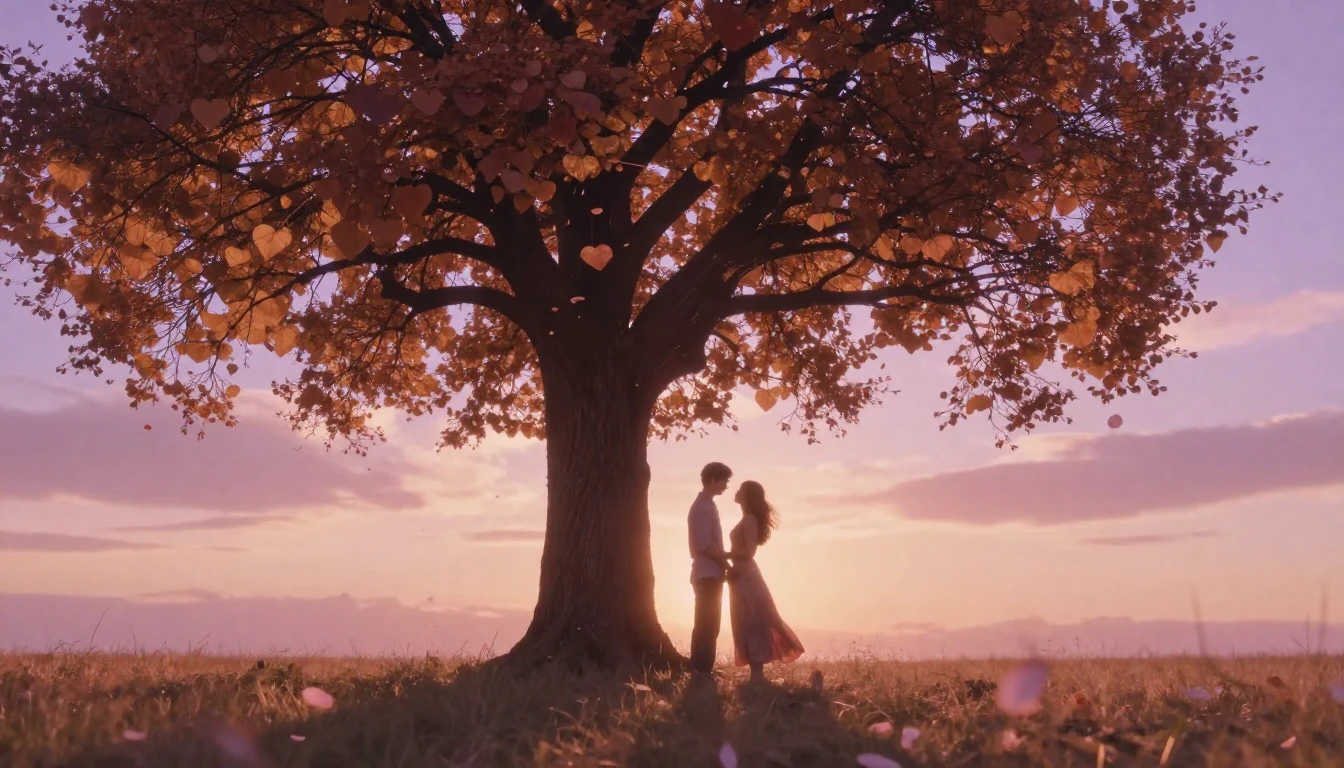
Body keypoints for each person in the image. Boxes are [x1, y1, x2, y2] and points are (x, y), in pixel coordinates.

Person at [727, 480, 805, 684]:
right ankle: (756, 674)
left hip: (745, 574)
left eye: (740, 490)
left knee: (754, 619)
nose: (736, 492)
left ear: (746, 495)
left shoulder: (750, 519)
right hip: (739, 573)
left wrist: (723, 554)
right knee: (745, 620)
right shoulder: (747, 518)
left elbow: (749, 551)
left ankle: (758, 675)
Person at [688, 461, 733, 676]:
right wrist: (726, 563)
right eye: (724, 481)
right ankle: (700, 669)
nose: (726, 486)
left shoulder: (708, 505)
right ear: (713, 480)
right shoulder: (702, 508)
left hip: (711, 573)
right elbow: (705, 544)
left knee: (710, 623)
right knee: (707, 624)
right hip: (706, 573)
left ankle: (703, 668)